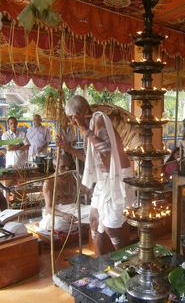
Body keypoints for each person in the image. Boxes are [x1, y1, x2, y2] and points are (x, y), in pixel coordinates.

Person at [57, 95, 135, 255]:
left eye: (72, 118)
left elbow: (106, 150)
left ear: (80, 112)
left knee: (113, 227)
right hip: (103, 182)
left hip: (117, 178)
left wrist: (85, 129)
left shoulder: (98, 119)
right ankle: (102, 264)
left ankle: (126, 263)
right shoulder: (90, 127)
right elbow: (89, 158)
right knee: (94, 221)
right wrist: (68, 148)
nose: (72, 122)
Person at [39, 153, 90, 232]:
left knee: (95, 211)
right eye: (63, 167)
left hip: (73, 209)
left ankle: (76, 224)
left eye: (68, 166)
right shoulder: (49, 182)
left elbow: (86, 191)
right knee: (58, 224)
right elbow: (48, 208)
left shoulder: (72, 176)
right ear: (55, 167)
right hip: (58, 213)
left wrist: (80, 177)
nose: (67, 169)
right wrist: (64, 215)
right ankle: (77, 225)